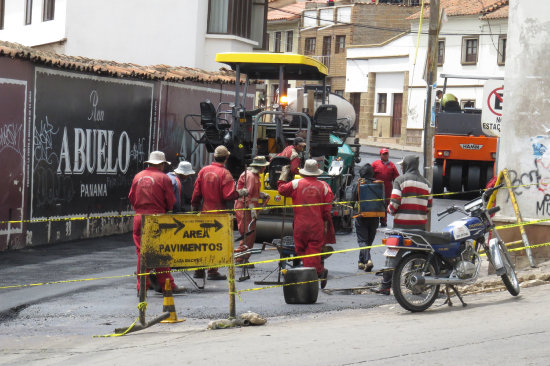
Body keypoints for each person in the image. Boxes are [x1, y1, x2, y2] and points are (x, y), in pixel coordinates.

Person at [372, 155, 432, 295]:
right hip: (419, 229)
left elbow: (394, 204)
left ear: (407, 165)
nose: (401, 167)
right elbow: (428, 208)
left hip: (401, 227)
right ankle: (416, 287)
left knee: (392, 255)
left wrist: (389, 211)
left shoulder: (400, 180)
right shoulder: (426, 184)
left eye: (402, 165)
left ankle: (386, 286)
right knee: (418, 256)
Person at [129, 150, 183, 294]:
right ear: (161, 164)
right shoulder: (164, 178)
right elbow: (170, 201)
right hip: (157, 218)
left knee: (142, 252)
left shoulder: (138, 177)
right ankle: (167, 285)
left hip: (139, 217)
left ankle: (142, 287)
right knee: (160, 252)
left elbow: (131, 198)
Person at [191, 145, 248, 280]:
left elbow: (196, 193)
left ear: (214, 156)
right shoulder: (225, 173)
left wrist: (194, 207)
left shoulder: (204, 171)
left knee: (203, 242)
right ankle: (212, 271)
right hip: (219, 216)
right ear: (226, 158)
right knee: (215, 243)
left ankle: (199, 270)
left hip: (205, 213)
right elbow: (228, 195)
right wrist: (240, 193)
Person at [277, 159, 335, 289]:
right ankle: (318, 272)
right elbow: (326, 210)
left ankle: (313, 276)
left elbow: (281, 190)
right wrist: (326, 225)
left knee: (300, 250)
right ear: (316, 173)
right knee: (312, 252)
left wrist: (282, 176)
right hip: (316, 225)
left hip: (300, 225)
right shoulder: (325, 187)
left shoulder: (296, 183)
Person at [234, 156, 270, 263]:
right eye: (264, 166)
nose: (265, 168)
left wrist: (261, 195)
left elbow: (253, 193)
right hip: (244, 208)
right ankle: (240, 258)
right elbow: (247, 195)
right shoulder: (250, 176)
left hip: (249, 208)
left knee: (251, 234)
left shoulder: (255, 176)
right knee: (247, 233)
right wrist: (251, 208)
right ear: (260, 167)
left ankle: (244, 257)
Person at [352, 163, 380, 272]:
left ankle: (368, 260)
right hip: (375, 216)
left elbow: (352, 199)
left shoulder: (358, 184)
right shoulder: (378, 184)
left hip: (362, 216)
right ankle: (361, 261)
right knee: (369, 240)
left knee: (362, 240)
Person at [372, 148, 400, 227]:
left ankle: (383, 221)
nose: (385, 155)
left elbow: (396, 178)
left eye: (386, 154)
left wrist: (398, 188)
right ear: (380, 155)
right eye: (384, 154)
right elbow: (370, 174)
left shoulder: (392, 165)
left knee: (385, 204)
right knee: (376, 203)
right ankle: (375, 220)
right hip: (376, 188)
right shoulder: (375, 164)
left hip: (387, 188)